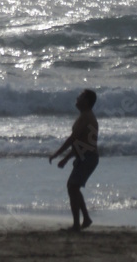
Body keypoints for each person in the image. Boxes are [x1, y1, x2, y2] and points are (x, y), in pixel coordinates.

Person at [48, 89, 99, 232]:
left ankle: (77, 224)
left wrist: (57, 154)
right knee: (73, 187)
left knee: (72, 187)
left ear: (87, 101)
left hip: (88, 158)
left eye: (81, 96)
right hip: (84, 156)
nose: (77, 98)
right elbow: (80, 143)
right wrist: (65, 158)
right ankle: (85, 219)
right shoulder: (84, 116)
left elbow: (73, 139)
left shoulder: (87, 117)